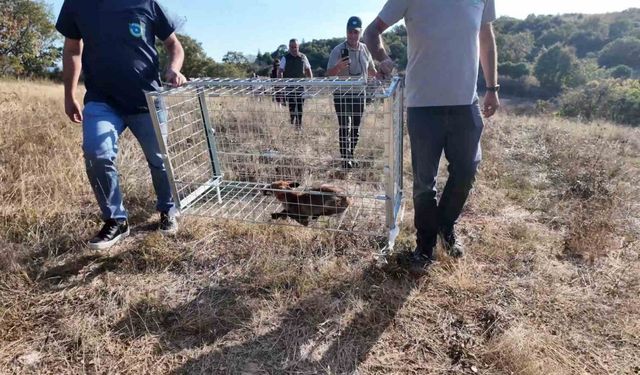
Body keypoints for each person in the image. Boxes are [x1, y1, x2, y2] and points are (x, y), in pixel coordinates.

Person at [364, 0, 500, 271]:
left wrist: (492, 86)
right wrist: (382, 59)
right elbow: (371, 32)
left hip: (465, 103)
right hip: (423, 105)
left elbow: (486, 37)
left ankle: (445, 226)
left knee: (467, 170)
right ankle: (425, 246)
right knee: (425, 183)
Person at [56, 0, 187, 250]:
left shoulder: (146, 3)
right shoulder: (76, 4)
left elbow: (174, 45)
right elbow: (73, 48)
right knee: (96, 153)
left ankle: (168, 209)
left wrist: (173, 69)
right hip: (101, 100)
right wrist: (69, 94)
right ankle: (115, 219)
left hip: (147, 99)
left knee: (159, 160)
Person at [326, 16, 378, 169]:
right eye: (350, 32)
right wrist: (338, 67)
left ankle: (351, 155)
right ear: (346, 32)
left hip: (359, 95)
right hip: (341, 94)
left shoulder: (365, 49)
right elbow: (329, 74)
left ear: (360, 32)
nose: (353, 35)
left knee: (355, 128)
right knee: (344, 127)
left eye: (356, 32)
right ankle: (345, 160)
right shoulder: (337, 50)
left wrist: (381, 74)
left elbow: (372, 71)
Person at [278, 39, 313, 127]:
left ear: (298, 47)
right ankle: (292, 121)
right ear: (289, 47)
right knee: (292, 106)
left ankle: (299, 124)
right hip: (289, 86)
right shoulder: (285, 58)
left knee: (300, 106)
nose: (294, 49)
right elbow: (280, 71)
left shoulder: (303, 57)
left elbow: (308, 69)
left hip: (301, 86)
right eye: (292, 47)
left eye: (295, 47)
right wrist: (281, 83)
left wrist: (311, 82)